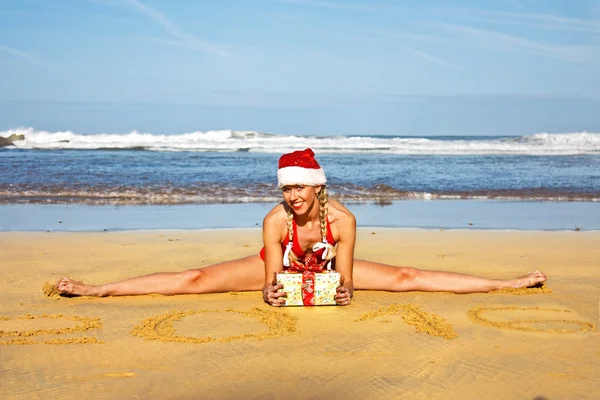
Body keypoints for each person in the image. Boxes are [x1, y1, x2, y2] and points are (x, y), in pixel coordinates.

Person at [56, 148, 547, 306]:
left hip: (326, 272)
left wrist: (344, 291)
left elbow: (348, 276)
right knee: (196, 280)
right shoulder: (274, 221)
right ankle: (100, 291)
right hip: (285, 267)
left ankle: (506, 283)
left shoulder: (344, 220)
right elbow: (272, 277)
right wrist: (271, 292)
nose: (291, 197)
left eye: (299, 189)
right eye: (285, 190)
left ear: (316, 188)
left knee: (405, 275)